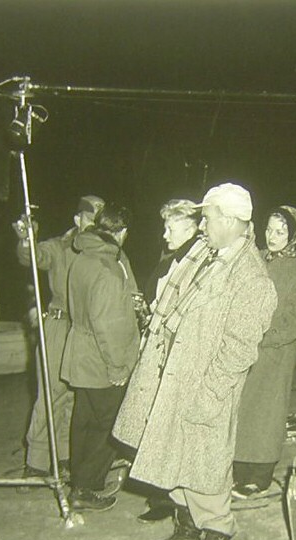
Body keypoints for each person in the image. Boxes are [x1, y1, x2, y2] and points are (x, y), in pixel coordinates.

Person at [113, 182, 276, 540]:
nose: (202, 225)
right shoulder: (208, 253)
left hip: (206, 382)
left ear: (233, 221)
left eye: (208, 217)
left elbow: (239, 349)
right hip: (175, 372)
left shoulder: (251, 278)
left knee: (206, 460)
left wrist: (211, 394)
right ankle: (187, 526)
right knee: (173, 452)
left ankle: (217, 538)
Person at [14, 195, 105, 480]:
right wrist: (28, 238)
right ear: (77, 219)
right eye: (91, 218)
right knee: (51, 393)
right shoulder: (58, 247)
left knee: (75, 395)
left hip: (87, 329)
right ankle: (37, 462)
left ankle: (64, 456)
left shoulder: (103, 250)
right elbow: (32, 257)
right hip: (59, 325)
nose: (96, 225)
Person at [61, 203, 141, 512]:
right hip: (99, 359)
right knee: (111, 426)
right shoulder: (108, 270)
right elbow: (108, 326)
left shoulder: (82, 259)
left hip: (80, 354)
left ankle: (79, 481)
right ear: (121, 233)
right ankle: (87, 487)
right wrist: (117, 367)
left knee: (84, 421)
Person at [233, 206, 296, 499]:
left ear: (292, 236)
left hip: (274, 354)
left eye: (281, 232)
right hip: (246, 348)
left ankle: (260, 476)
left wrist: (265, 338)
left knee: (266, 414)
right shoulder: (257, 262)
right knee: (243, 411)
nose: (273, 236)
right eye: (269, 230)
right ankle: (240, 470)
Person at [136, 198, 203, 523]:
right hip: (161, 353)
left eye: (170, 227)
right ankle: (162, 496)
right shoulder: (172, 258)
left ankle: (180, 504)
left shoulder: (198, 259)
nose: (164, 233)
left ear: (191, 227)